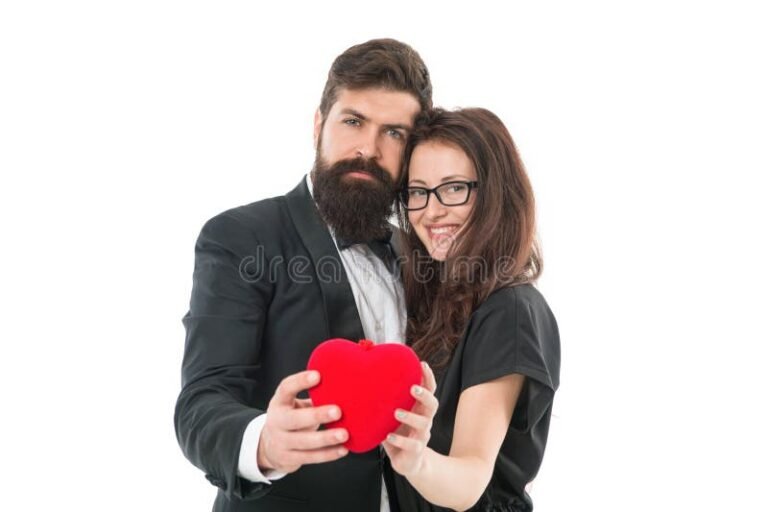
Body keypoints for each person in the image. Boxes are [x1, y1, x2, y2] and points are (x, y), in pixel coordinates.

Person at [174, 38, 432, 511]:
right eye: (353, 121)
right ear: (318, 124)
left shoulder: (416, 250)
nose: (367, 149)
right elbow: (201, 404)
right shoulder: (239, 236)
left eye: (394, 133)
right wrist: (264, 444)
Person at [384, 108, 560, 512]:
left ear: (495, 194)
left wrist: (416, 459)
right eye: (417, 192)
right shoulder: (436, 302)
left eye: (453, 188)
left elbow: (469, 479)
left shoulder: (510, 311)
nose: (431, 211)